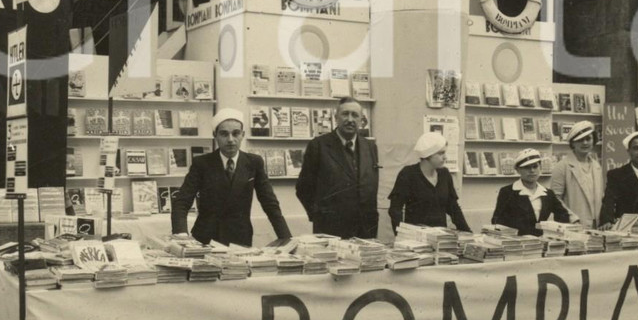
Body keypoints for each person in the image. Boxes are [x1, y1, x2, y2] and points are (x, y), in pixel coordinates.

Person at [170, 111, 292, 247]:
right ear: (215, 135)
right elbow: (182, 202)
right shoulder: (202, 163)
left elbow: (269, 202)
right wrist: (181, 235)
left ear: (242, 135)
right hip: (205, 238)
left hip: (240, 238)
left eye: (235, 133)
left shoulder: (254, 162)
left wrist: (285, 237)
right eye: (224, 134)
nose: (230, 140)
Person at [295, 97, 379, 239]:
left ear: (361, 120)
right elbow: (303, 188)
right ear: (336, 117)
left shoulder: (370, 146)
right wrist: (318, 215)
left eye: (355, 115)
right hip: (330, 228)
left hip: (365, 229)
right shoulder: (318, 145)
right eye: (345, 114)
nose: (350, 119)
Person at [388, 131, 471, 233]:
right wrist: (400, 235)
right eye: (441, 153)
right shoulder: (408, 174)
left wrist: (468, 233)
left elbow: (453, 208)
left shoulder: (444, 174)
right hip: (416, 240)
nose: (445, 157)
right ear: (428, 154)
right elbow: (395, 210)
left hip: (441, 239)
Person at [491, 147, 570, 237]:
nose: (532, 171)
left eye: (535, 166)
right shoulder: (508, 192)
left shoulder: (548, 193)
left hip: (542, 242)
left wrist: (555, 231)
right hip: (517, 243)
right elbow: (497, 220)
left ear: (540, 167)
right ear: (518, 170)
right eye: (527, 167)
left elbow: (563, 215)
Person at [549, 120, 604, 228]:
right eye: (580, 140)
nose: (585, 143)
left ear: (593, 140)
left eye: (588, 139)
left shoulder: (597, 166)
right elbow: (555, 199)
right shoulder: (562, 166)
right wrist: (572, 218)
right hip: (574, 225)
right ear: (573, 143)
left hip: (596, 224)